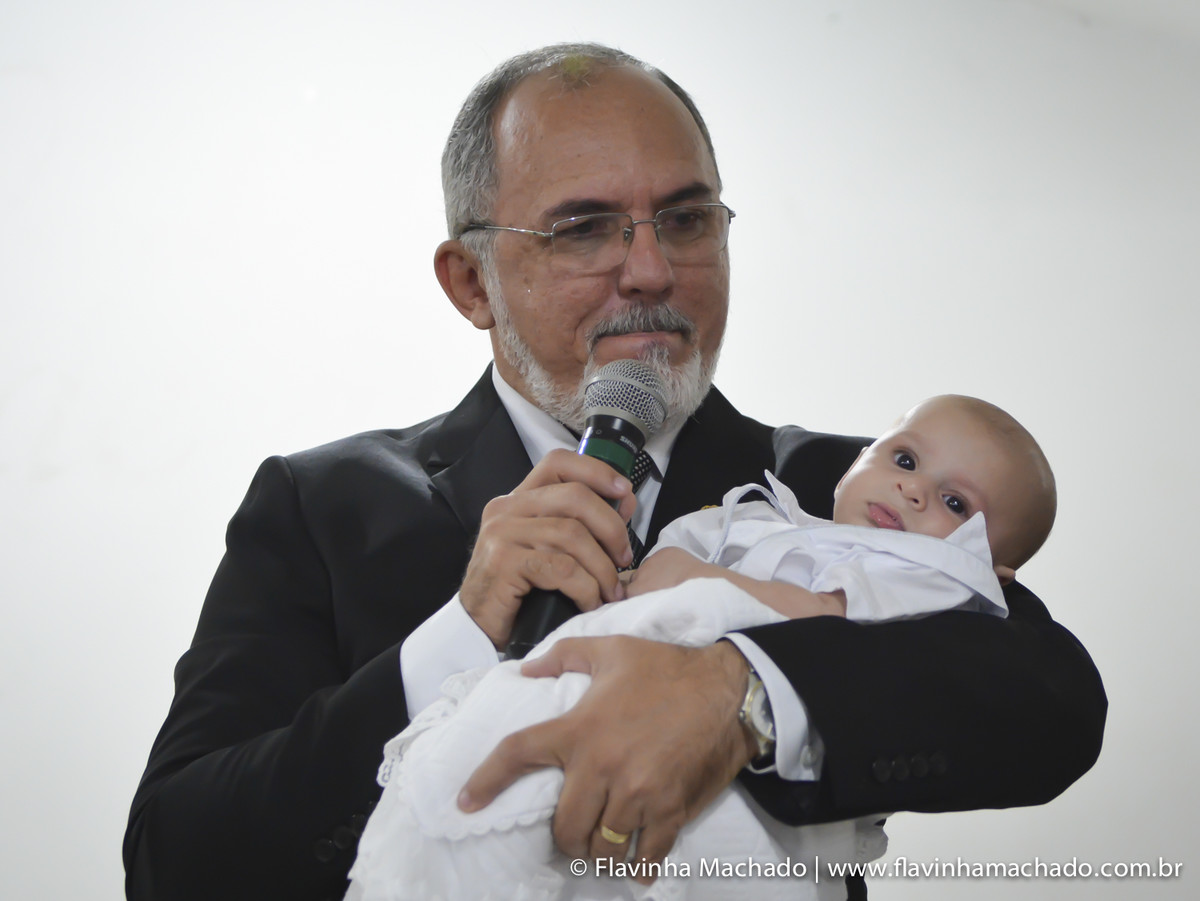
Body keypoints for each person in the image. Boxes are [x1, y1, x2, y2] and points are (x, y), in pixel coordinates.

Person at [124, 43, 1106, 901]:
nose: (649, 271)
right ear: (471, 282)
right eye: (584, 228)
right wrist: (458, 638)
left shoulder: (843, 491)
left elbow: (1050, 699)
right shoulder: (321, 505)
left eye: (685, 220)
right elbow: (177, 858)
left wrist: (744, 690)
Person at [343, 394, 1056, 901]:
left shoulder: (921, 574)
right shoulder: (763, 511)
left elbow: (1043, 689)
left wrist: (712, 611)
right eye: (902, 458)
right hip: (570, 681)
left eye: (956, 504)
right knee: (473, 789)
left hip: (739, 821)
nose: (914, 490)